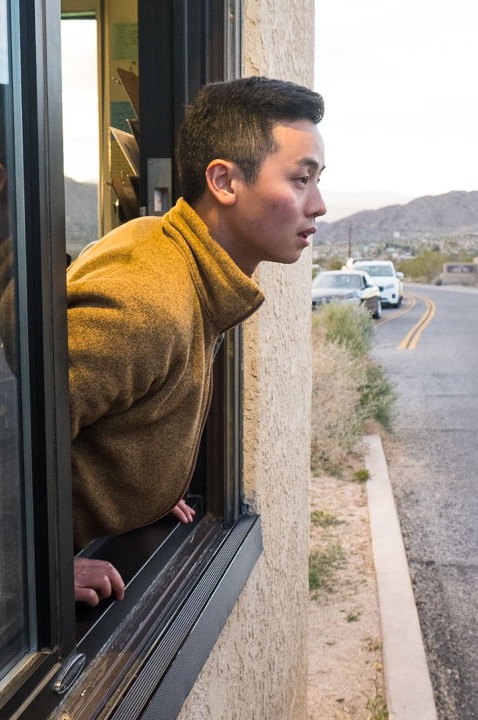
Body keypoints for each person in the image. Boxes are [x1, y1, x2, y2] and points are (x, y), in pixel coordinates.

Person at [67, 76, 326, 605]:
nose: (318, 205)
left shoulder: (180, 258)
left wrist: (148, 490)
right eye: (301, 180)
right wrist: (34, 574)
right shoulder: (149, 300)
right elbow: (3, 430)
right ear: (225, 182)